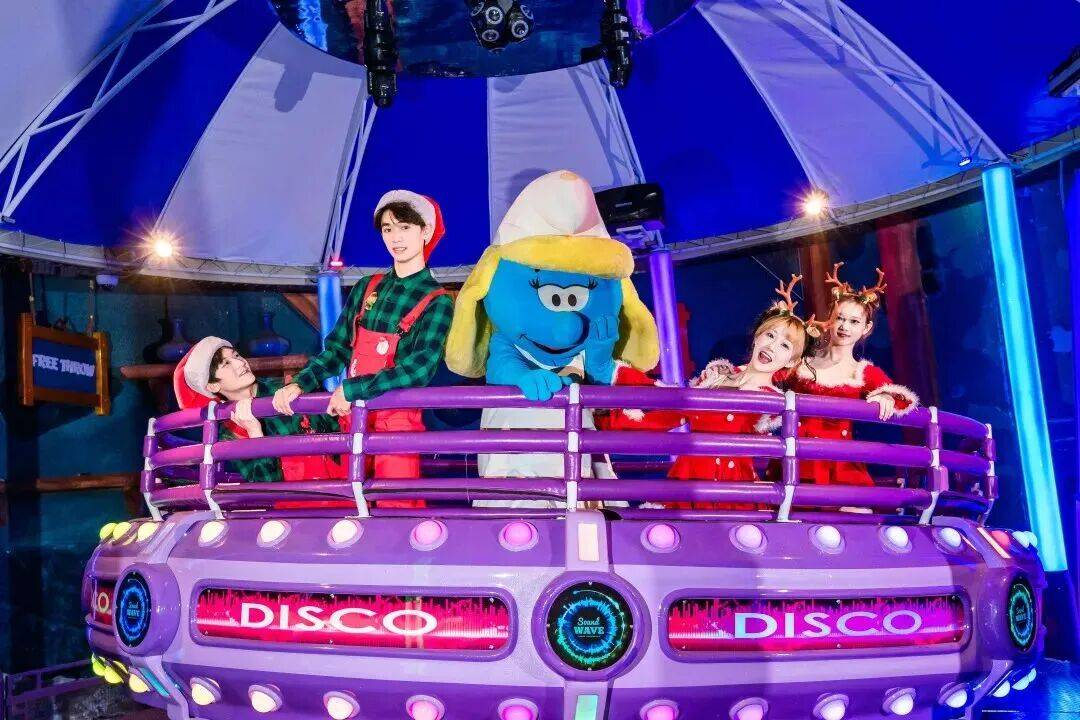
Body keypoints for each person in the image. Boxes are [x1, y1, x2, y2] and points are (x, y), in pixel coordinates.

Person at [272, 191, 454, 507]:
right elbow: (337, 348)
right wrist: (300, 383)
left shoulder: (437, 301)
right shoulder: (366, 287)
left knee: (396, 503)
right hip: (353, 412)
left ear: (425, 231)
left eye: (405, 227)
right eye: (387, 229)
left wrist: (352, 388)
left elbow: (419, 369)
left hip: (397, 420)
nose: (396, 238)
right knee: (348, 501)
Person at [619, 276, 821, 510]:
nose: (771, 346)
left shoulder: (773, 403)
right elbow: (672, 415)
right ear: (758, 336)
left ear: (792, 361)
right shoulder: (716, 375)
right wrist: (623, 417)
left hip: (732, 491)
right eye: (770, 335)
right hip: (687, 482)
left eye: (785, 345)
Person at [777, 263, 918, 486]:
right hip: (798, 458)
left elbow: (901, 399)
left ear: (866, 328)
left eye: (854, 322)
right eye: (840, 318)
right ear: (830, 319)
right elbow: (768, 378)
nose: (844, 326)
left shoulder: (862, 372)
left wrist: (885, 397)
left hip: (840, 463)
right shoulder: (801, 362)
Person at [173, 337, 343, 483]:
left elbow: (339, 430)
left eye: (237, 355)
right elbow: (267, 487)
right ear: (212, 386)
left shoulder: (290, 386)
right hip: (296, 505)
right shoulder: (230, 431)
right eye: (226, 364)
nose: (241, 363)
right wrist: (255, 434)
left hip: (339, 491)